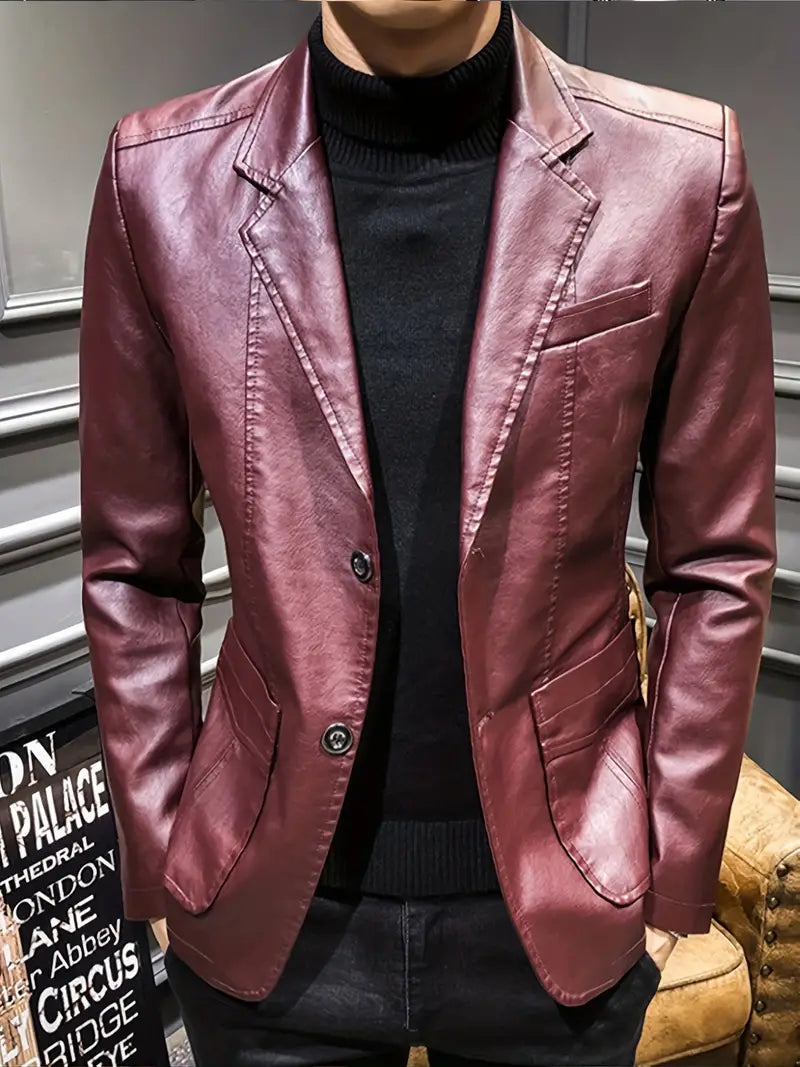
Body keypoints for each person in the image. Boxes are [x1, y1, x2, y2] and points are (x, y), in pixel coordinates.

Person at [78, 1, 776, 1064]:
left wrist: (670, 872)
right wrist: (165, 850)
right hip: (266, 909)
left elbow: (714, 561)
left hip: (561, 908)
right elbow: (133, 565)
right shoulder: (160, 178)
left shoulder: (680, 170)